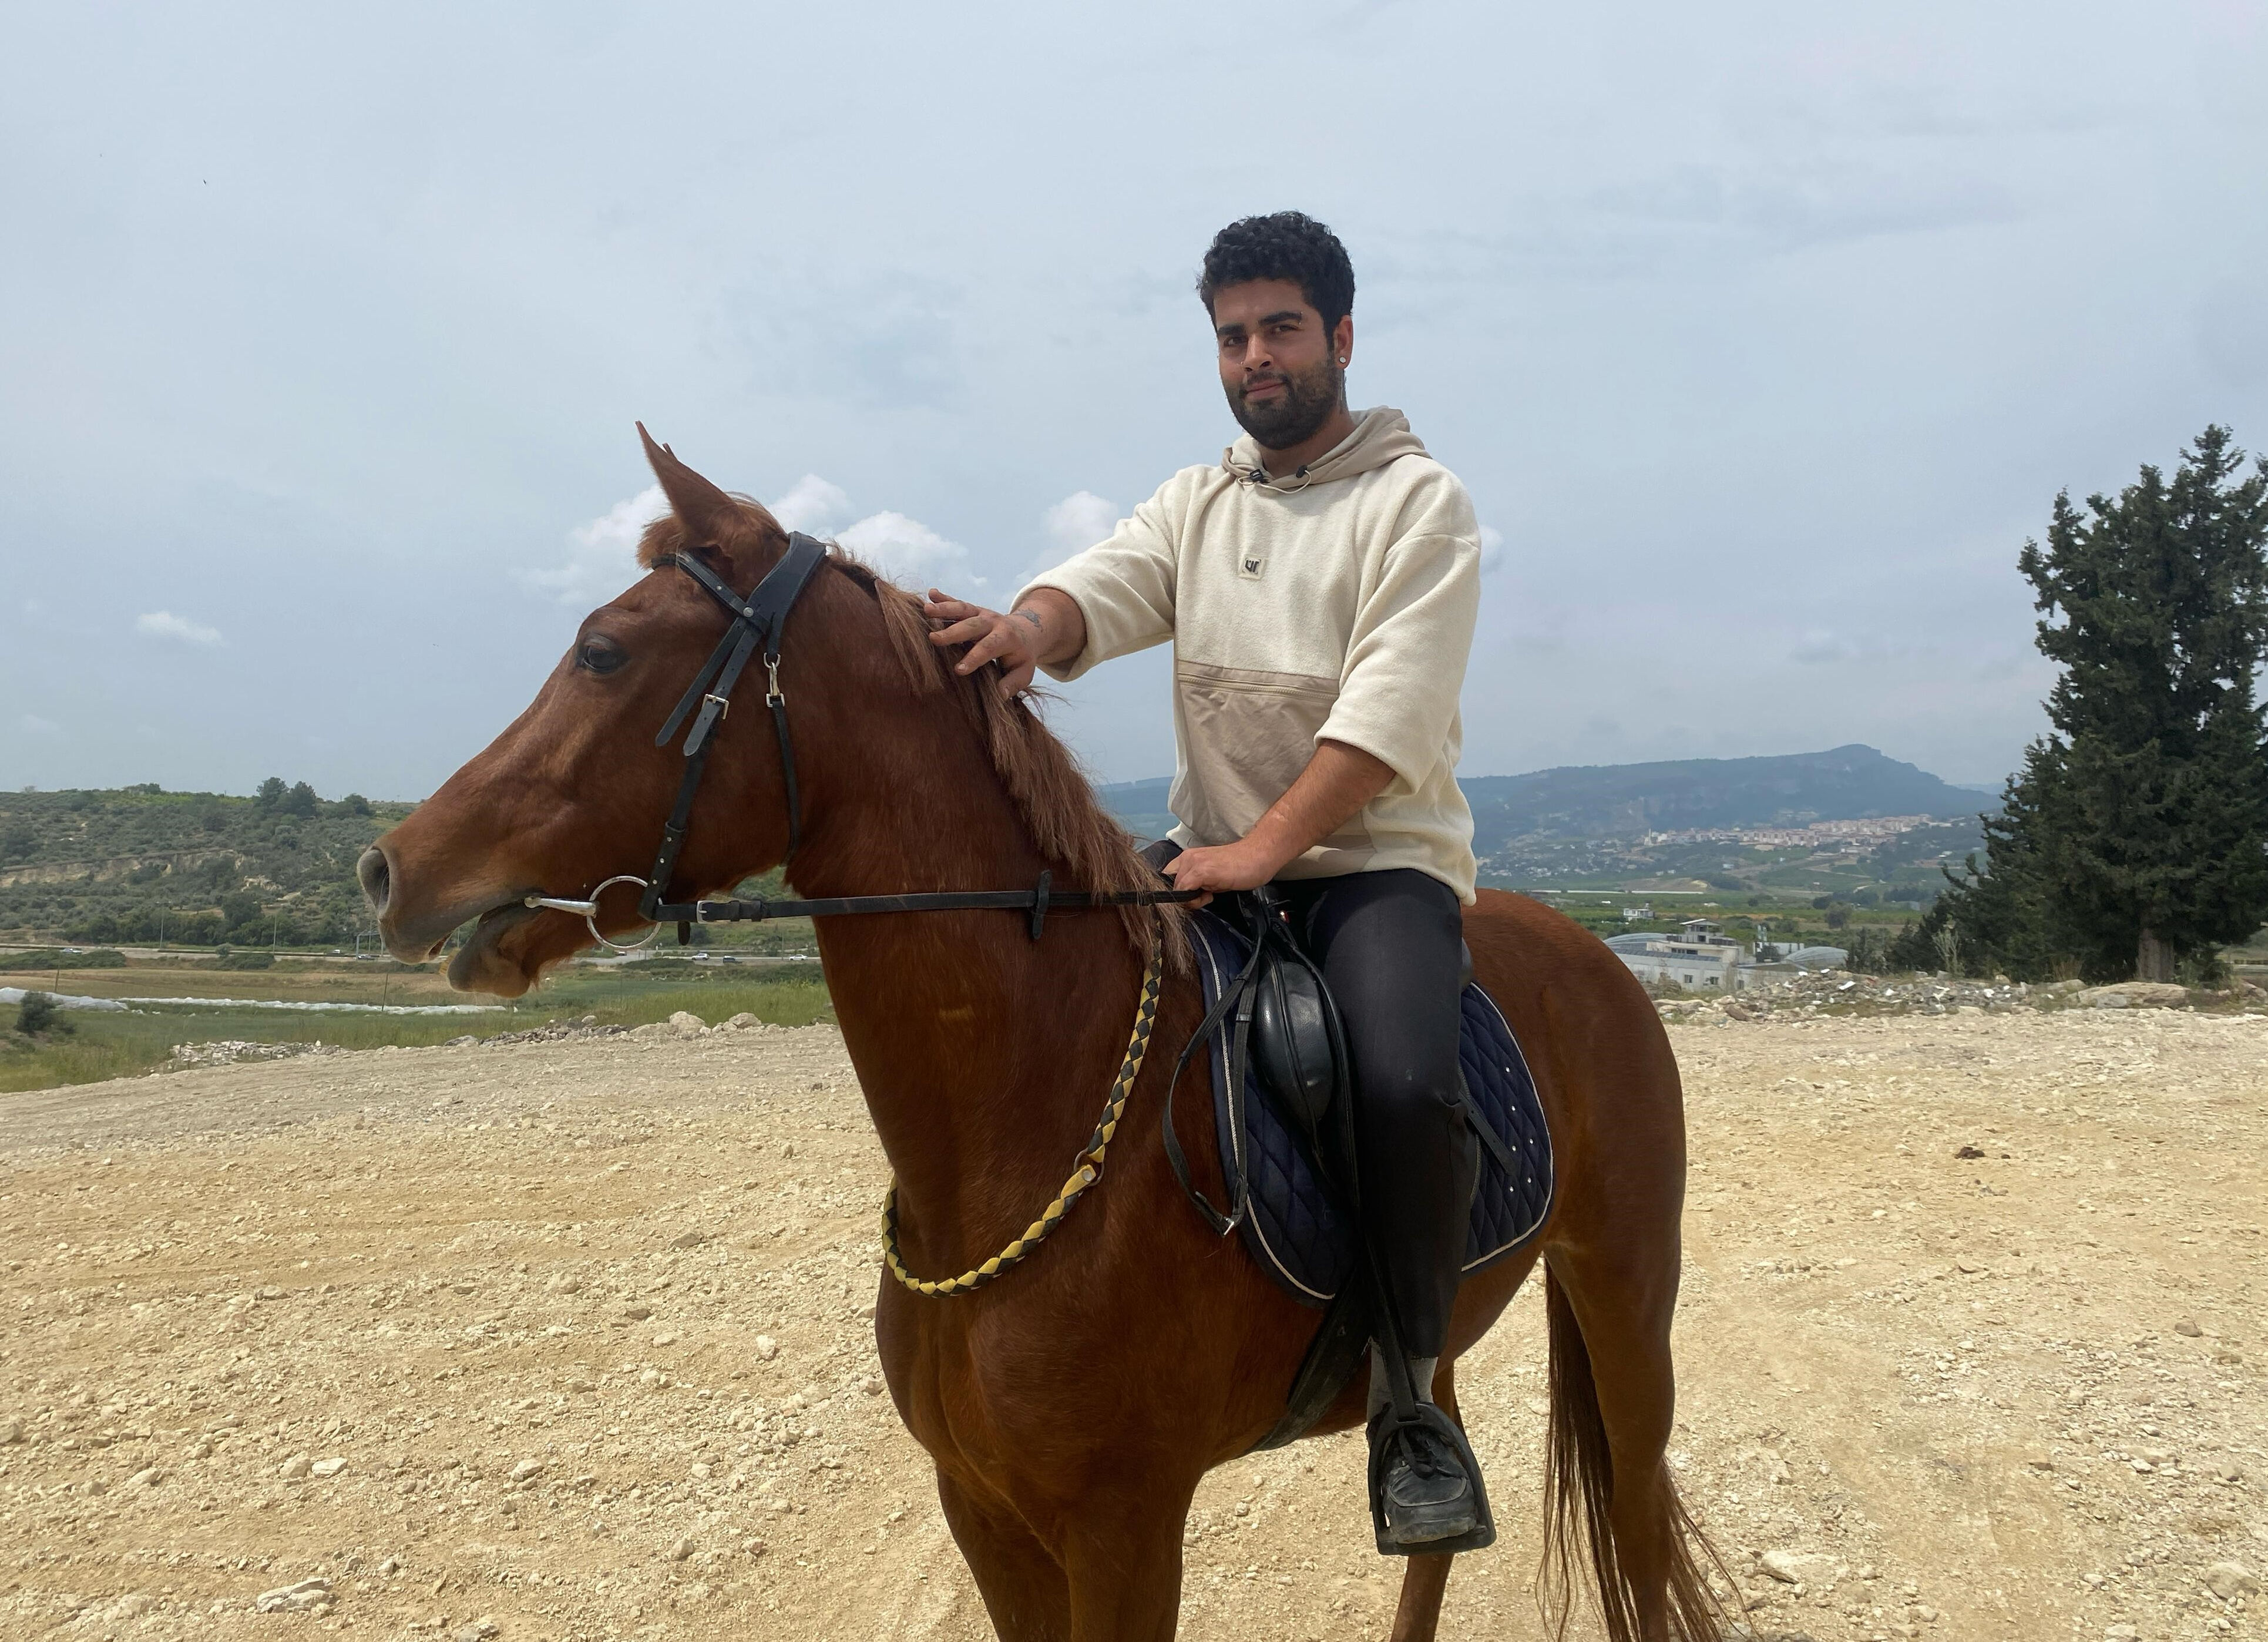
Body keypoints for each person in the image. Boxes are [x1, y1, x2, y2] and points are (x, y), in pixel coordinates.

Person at [922, 211, 1485, 1548]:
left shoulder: (1419, 505)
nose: (1252, 358)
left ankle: (1412, 1408)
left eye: (1279, 328)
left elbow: (1388, 717)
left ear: (1340, 337)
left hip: (1369, 870)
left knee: (1403, 1088)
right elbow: (1103, 587)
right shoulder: (1202, 499)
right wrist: (1025, 628)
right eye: (1231, 336)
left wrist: (1260, 850)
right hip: (1217, 865)